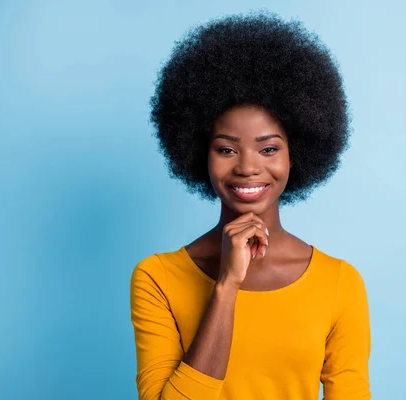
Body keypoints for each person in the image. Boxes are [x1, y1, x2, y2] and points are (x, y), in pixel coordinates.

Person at [130, 10, 372, 400]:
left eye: (269, 148)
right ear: (199, 154)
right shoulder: (157, 278)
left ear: (297, 155)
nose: (247, 167)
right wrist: (226, 285)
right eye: (226, 149)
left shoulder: (339, 284)